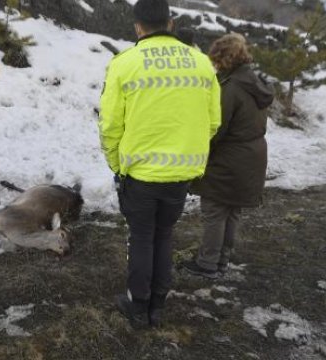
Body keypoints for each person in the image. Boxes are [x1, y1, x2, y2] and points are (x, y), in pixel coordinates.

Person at [98, 0, 221, 328]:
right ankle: (158, 305)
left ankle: (138, 306)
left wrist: (116, 164)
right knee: (164, 235)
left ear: (137, 26)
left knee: (140, 237)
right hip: (181, 173)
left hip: (140, 174)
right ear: (171, 22)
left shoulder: (124, 63)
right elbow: (212, 122)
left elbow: (110, 124)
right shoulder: (201, 62)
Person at [183, 33, 274, 279]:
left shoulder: (230, 87)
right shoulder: (252, 81)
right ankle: (222, 260)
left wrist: (197, 150)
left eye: (216, 59)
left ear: (225, 58)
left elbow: (217, 128)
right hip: (251, 156)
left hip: (229, 157)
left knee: (214, 211)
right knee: (232, 211)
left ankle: (207, 263)